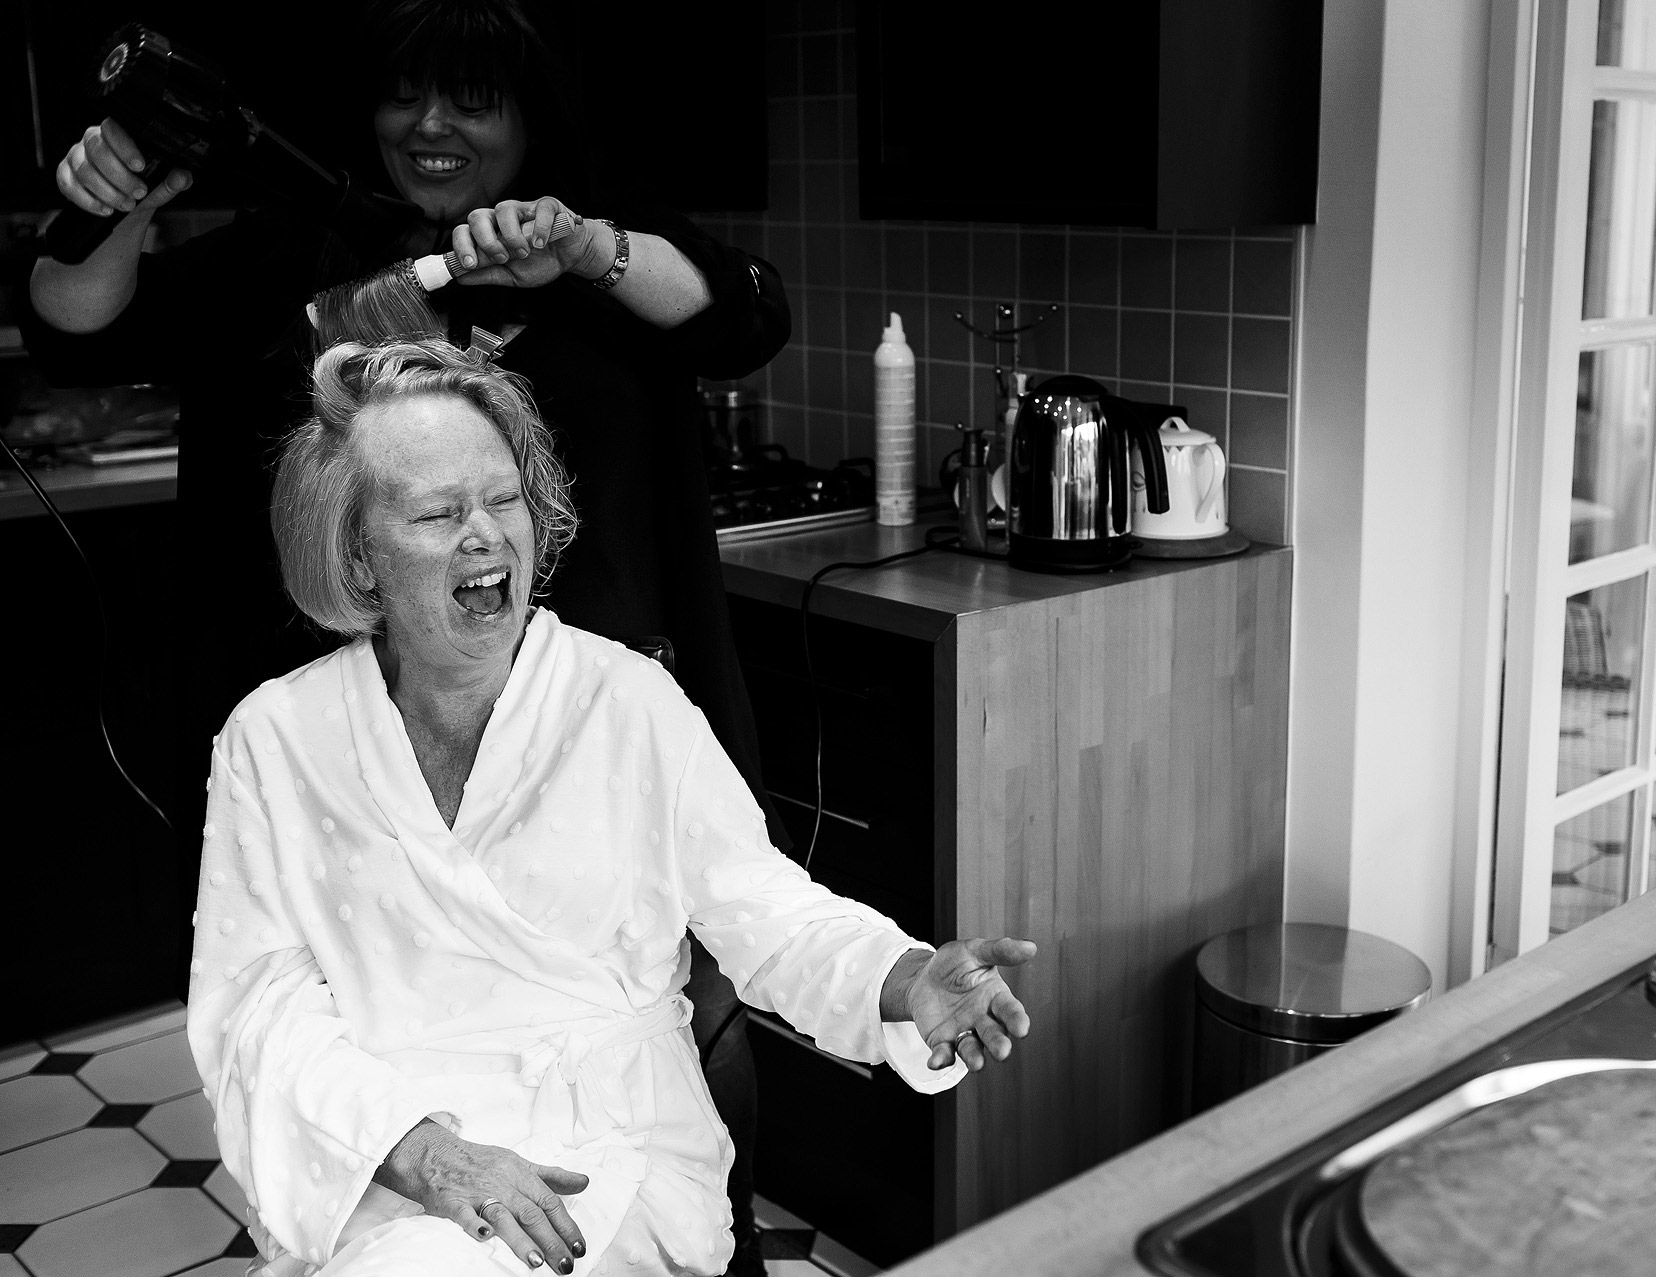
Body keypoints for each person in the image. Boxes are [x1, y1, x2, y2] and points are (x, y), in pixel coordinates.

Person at [25, 0, 795, 1265]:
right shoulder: (298, 265)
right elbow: (72, 326)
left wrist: (580, 251)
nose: (431, 127)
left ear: (531, 116)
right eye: (405, 96)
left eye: (473, 99)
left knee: (672, 1042)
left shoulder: (602, 265)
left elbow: (748, 316)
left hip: (597, 762)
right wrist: (106, 210)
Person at [191, 336, 1036, 1277]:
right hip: (390, 1148)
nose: (486, 534)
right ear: (355, 552)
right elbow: (254, 1007)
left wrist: (906, 976)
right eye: (437, 512)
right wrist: (428, 1155)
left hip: (616, 1145)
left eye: (504, 498)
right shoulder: (273, 739)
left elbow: (766, 911)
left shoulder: (626, 700)